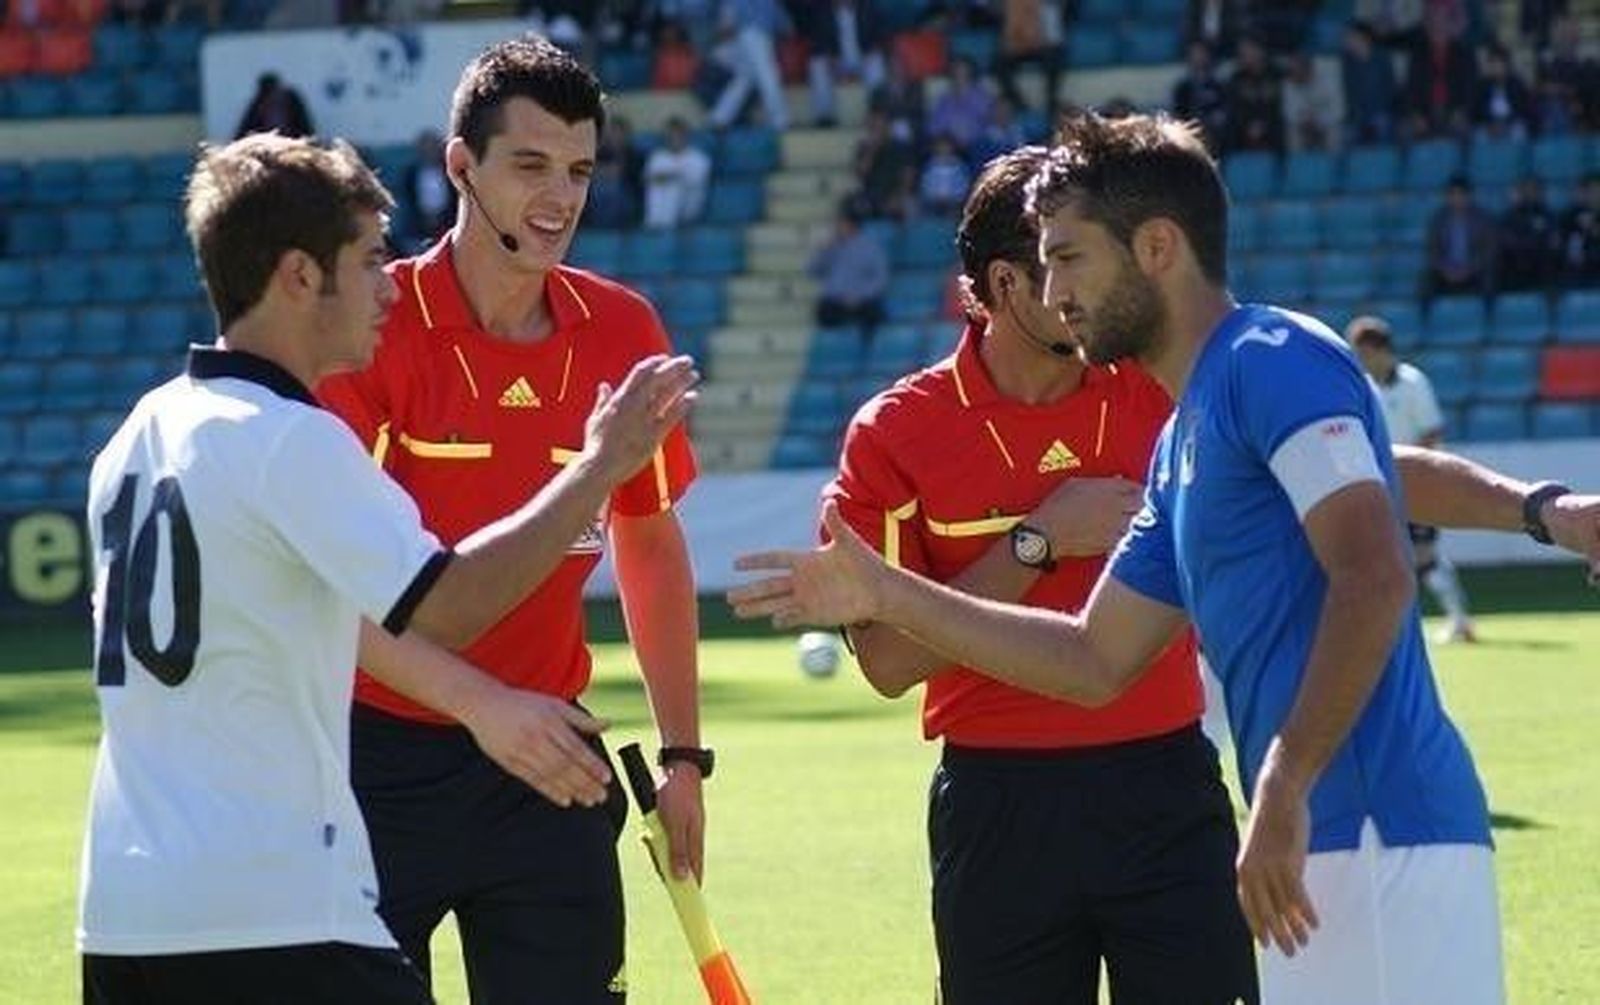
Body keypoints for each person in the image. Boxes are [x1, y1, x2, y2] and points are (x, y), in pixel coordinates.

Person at [731, 113, 1600, 1005]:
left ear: (1153, 248)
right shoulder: (1185, 440)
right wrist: (893, 587)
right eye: (1046, 262)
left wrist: (1285, 781)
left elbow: (1374, 562)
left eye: (1069, 257)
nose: (1060, 288)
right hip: (1268, 840)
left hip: (1369, 825)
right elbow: (1091, 655)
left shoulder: (1269, 356)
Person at [80, 133, 695, 1004]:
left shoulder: (141, 430)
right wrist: (597, 465)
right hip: (273, 906)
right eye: (369, 262)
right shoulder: (293, 441)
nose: (387, 288)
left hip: (124, 909)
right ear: (299, 276)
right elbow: (444, 604)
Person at [316, 37, 707, 1005]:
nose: (559, 197)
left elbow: (649, 542)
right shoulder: (370, 327)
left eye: (577, 170)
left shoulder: (624, 332)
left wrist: (683, 756)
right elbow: (331, 589)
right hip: (373, 763)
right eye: (528, 165)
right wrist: (478, 710)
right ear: (460, 165)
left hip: (553, 767)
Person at [827, 145, 1258, 1005]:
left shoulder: (1161, 388)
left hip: (1166, 785)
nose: (1086, 288)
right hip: (999, 805)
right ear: (1004, 285)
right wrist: (1038, 541)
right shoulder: (895, 431)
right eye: (1059, 261)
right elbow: (884, 661)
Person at [1346, 315, 1476, 643]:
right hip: (1381, 485)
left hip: (1415, 483)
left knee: (1423, 557)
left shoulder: (1412, 383)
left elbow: (1431, 433)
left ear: (1377, 349)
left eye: (1360, 351)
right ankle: (1444, 622)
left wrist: (1415, 474)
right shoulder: (1364, 386)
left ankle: (1456, 621)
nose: (1357, 358)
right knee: (1400, 557)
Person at [806, 202, 889, 337]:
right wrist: (824, 251)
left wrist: (859, 296)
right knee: (823, 312)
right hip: (835, 300)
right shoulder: (830, 247)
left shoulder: (870, 248)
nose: (837, 227)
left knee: (875, 315)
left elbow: (880, 279)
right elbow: (811, 271)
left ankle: (869, 350)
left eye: (841, 224)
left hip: (861, 300)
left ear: (852, 225)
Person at [1423, 174, 1497, 301]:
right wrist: (1445, 269)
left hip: (1474, 271)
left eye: (1461, 194)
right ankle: (1424, 318)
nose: (1457, 199)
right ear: (1447, 197)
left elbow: (1488, 251)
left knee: (1489, 278)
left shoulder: (1484, 219)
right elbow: (1432, 251)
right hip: (1445, 272)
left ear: (1469, 196)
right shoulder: (1438, 220)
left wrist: (1469, 269)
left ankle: (1488, 317)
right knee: (1426, 280)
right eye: (1453, 194)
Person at [642, 116, 712, 229]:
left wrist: (670, 177)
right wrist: (670, 176)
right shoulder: (657, 157)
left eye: (677, 134)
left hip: (690, 204)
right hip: (661, 202)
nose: (673, 138)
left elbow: (696, 183)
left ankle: (664, 228)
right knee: (656, 187)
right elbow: (647, 179)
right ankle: (653, 225)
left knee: (673, 187)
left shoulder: (699, 158)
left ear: (686, 136)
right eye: (670, 135)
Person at [234, 72, 314, 139]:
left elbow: (303, 125)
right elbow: (247, 127)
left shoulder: (290, 100)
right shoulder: (259, 102)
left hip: (291, 141)